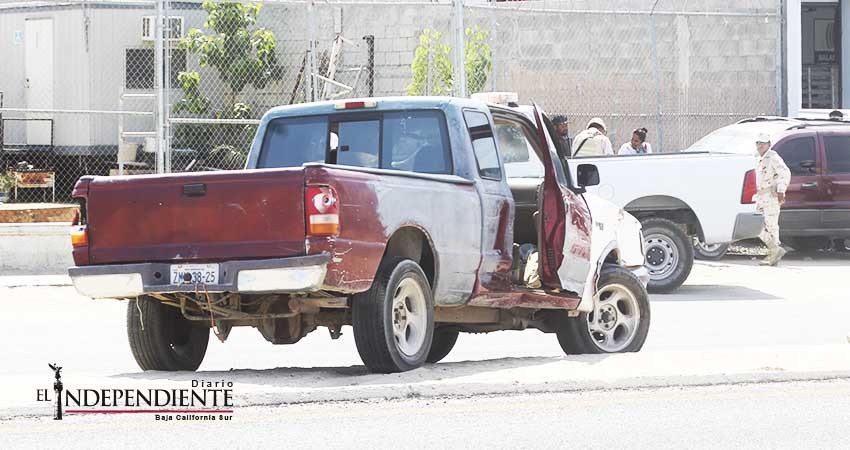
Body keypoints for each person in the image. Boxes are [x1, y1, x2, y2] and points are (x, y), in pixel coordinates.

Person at [755, 132, 791, 266]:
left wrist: (781, 190)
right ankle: (775, 250)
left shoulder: (773, 157)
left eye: (763, 143)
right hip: (759, 195)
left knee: (771, 225)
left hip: (770, 195)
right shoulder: (757, 158)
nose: (760, 146)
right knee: (756, 226)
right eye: (758, 143)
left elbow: (785, 173)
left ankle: (773, 254)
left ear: (768, 144)